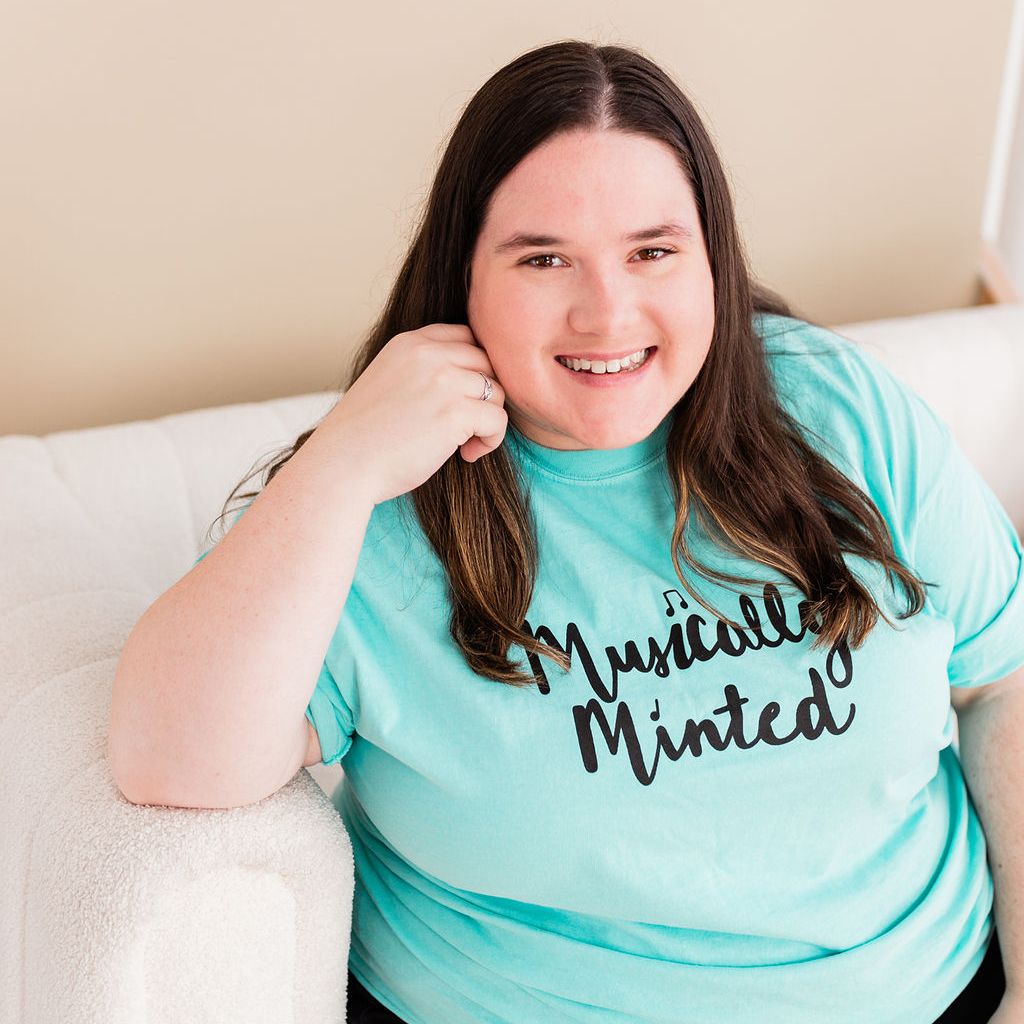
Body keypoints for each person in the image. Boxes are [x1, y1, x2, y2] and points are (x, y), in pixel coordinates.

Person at [107, 39, 1024, 1024]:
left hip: (936, 991)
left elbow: (1004, 675)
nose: (606, 312)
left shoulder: (838, 410)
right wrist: (339, 467)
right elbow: (170, 760)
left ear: (711, 259)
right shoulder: (373, 497)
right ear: (464, 275)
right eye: (544, 259)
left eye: (652, 251)